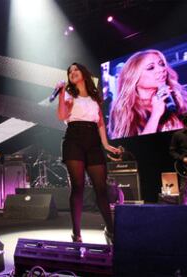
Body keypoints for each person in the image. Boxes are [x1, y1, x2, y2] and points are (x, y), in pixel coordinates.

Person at [56, 63, 121, 244]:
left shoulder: (95, 97)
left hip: (93, 140)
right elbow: (62, 116)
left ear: (83, 73)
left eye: (75, 70)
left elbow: (100, 121)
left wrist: (106, 144)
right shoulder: (69, 95)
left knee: (101, 188)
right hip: (74, 139)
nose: (72, 73)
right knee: (78, 187)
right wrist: (61, 93)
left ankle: (111, 230)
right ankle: (76, 234)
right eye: (69, 72)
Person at [108, 49, 187, 139]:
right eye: (150, 68)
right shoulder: (122, 110)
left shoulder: (180, 98)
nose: (161, 69)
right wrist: (156, 114)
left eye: (161, 64)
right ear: (134, 77)